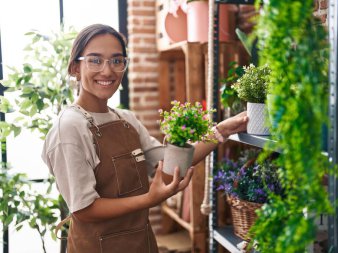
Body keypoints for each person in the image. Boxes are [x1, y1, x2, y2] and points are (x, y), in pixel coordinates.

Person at [41, 23, 248, 253]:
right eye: (95, 60)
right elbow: (84, 209)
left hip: (142, 244)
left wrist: (222, 130)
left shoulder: (125, 119)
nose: (107, 71)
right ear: (75, 68)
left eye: (117, 60)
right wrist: (150, 199)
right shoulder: (70, 127)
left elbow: (170, 161)